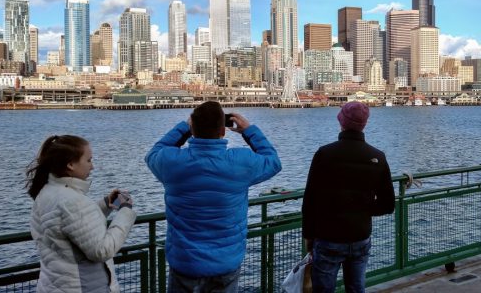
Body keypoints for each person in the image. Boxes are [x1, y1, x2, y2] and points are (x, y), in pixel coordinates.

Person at [145, 101, 281, 292]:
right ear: (223, 131)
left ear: (192, 129)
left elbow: (153, 153)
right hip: (225, 262)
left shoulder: (172, 162)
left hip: (185, 262)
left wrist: (184, 128)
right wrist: (249, 131)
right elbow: (273, 162)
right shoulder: (240, 161)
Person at [302, 102, 395, 292]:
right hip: (360, 235)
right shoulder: (377, 156)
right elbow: (388, 204)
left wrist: (308, 236)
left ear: (341, 122)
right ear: (364, 124)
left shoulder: (324, 154)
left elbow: (309, 200)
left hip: (329, 236)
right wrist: (363, 208)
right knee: (356, 287)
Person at [27, 135, 136, 293]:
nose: (92, 167)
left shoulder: (46, 192)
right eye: (89, 160)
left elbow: (72, 224)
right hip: (83, 287)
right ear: (70, 164)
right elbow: (101, 250)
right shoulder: (72, 201)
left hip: (53, 285)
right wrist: (125, 211)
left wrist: (105, 205)